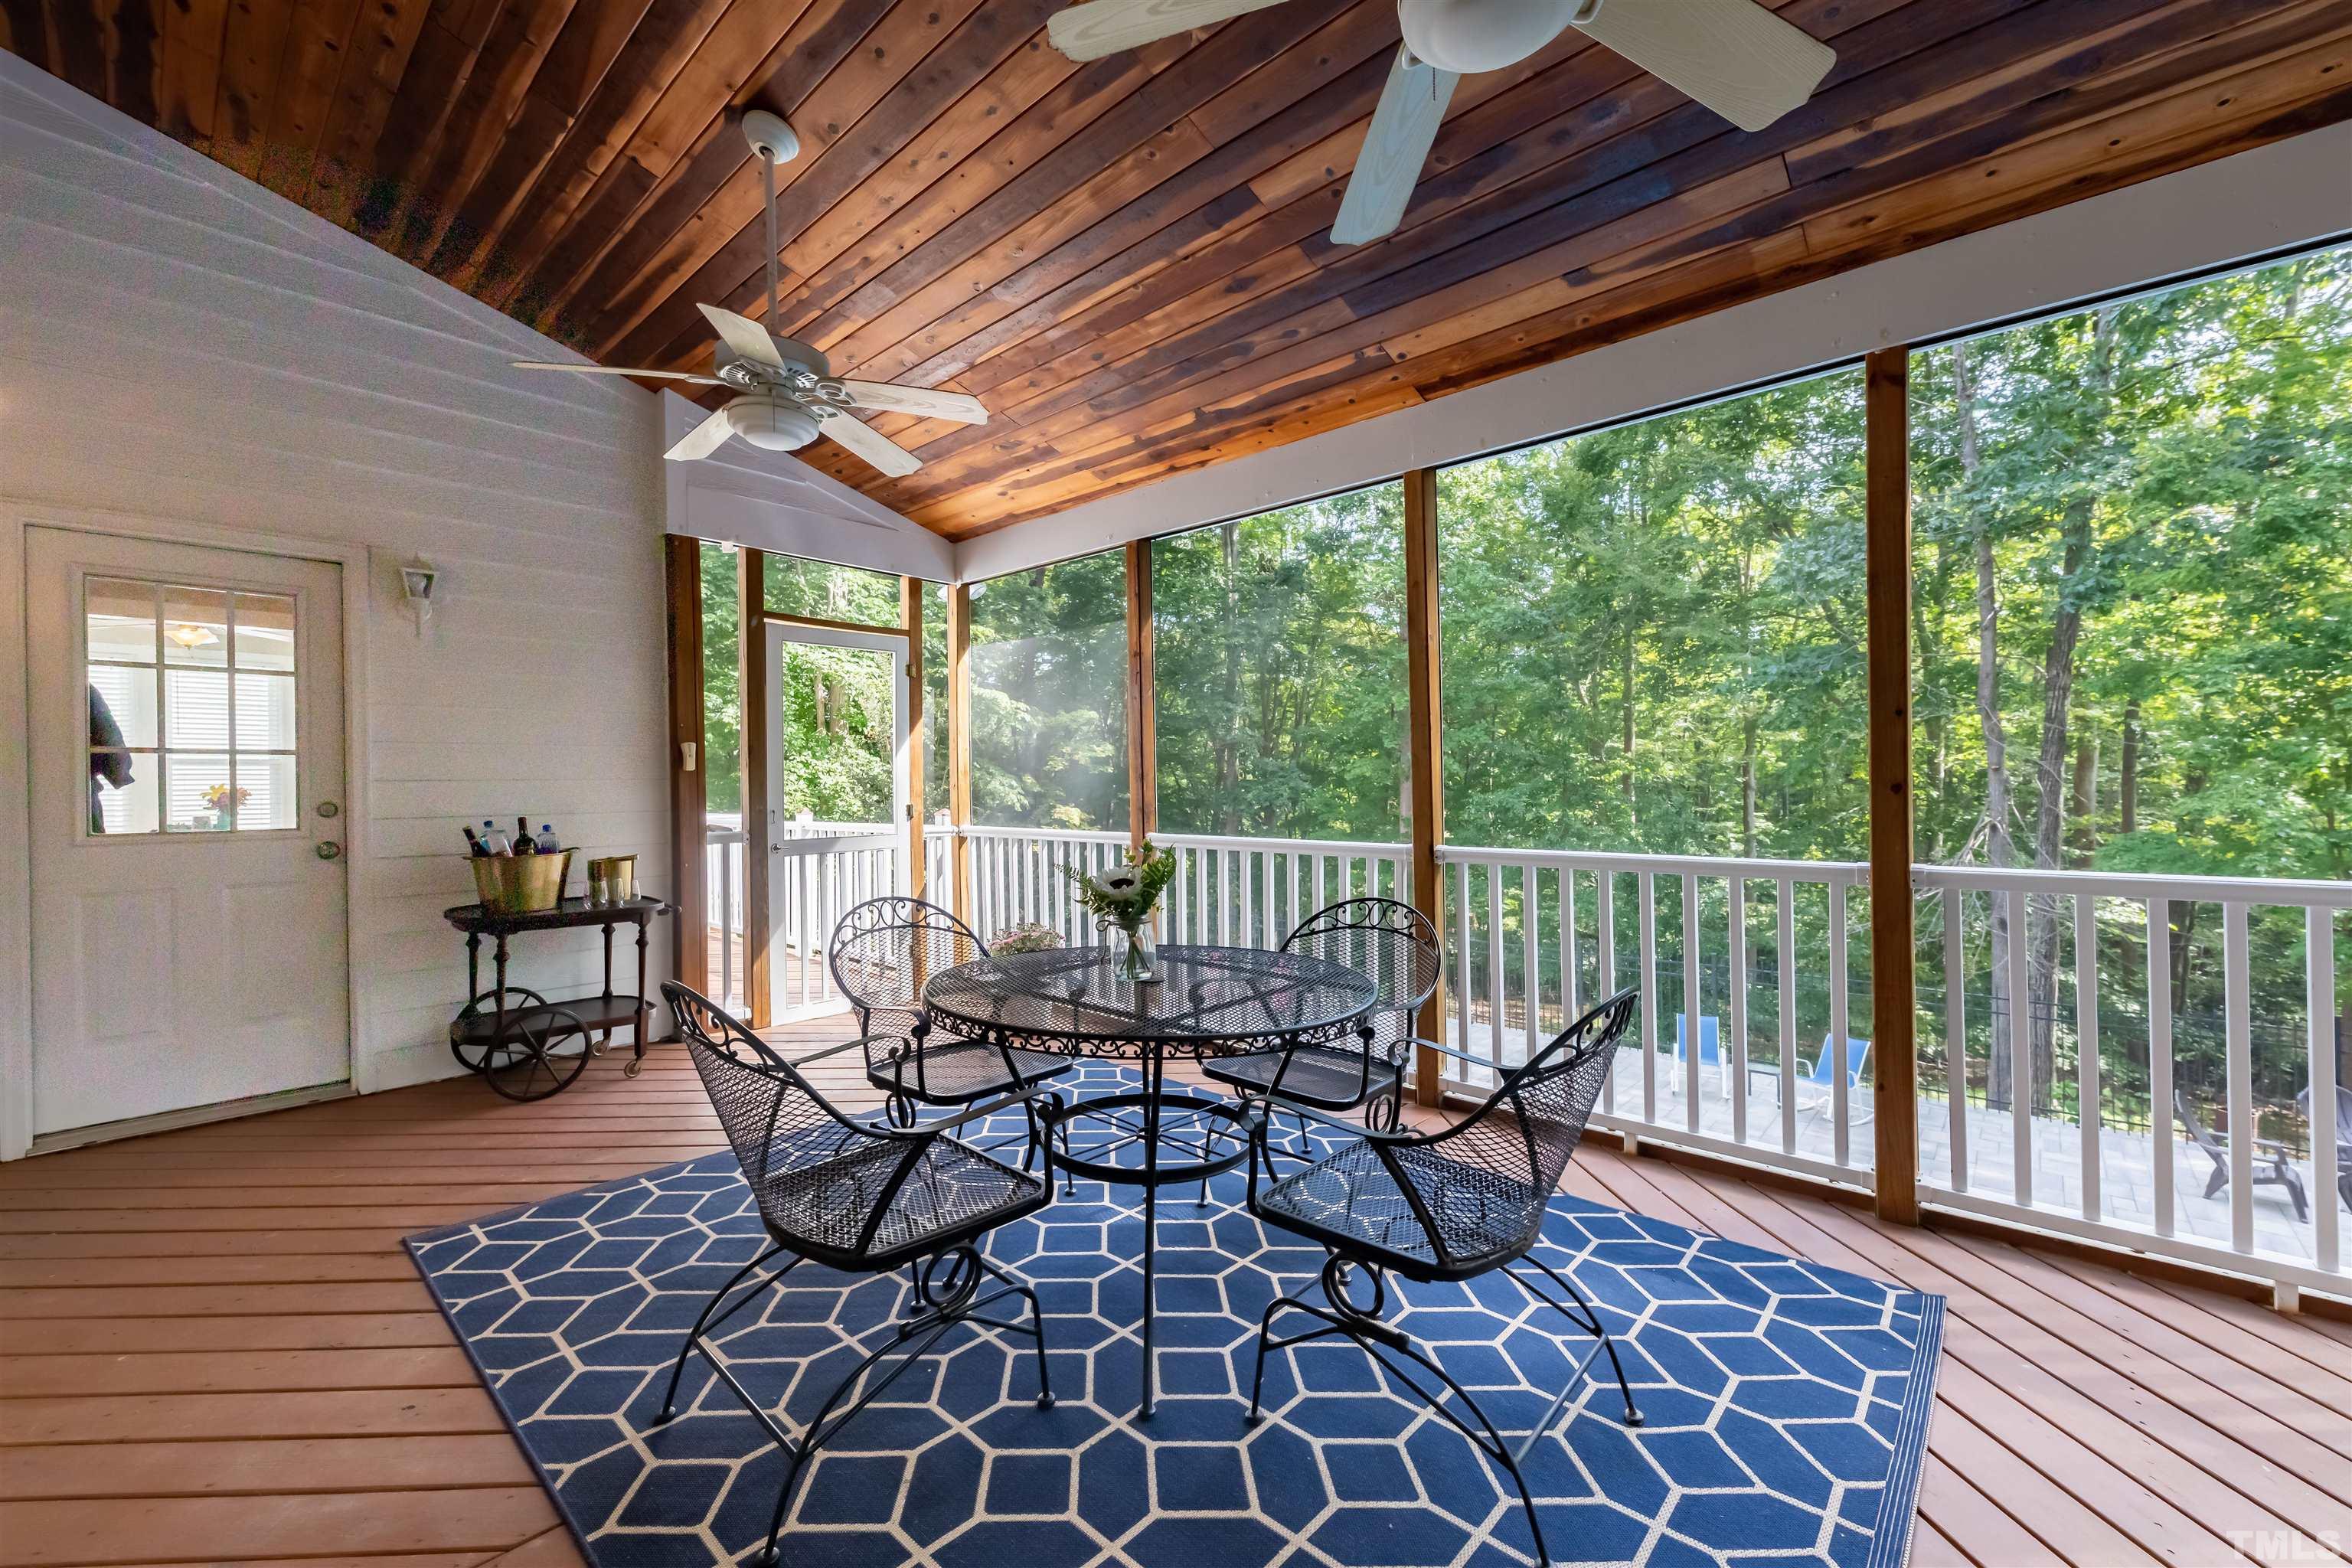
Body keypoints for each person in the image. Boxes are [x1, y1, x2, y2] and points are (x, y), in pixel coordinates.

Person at [89, 683, 133, 832]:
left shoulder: (80, 689)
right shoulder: (81, 689)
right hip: (81, 795)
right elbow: (110, 738)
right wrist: (120, 772)